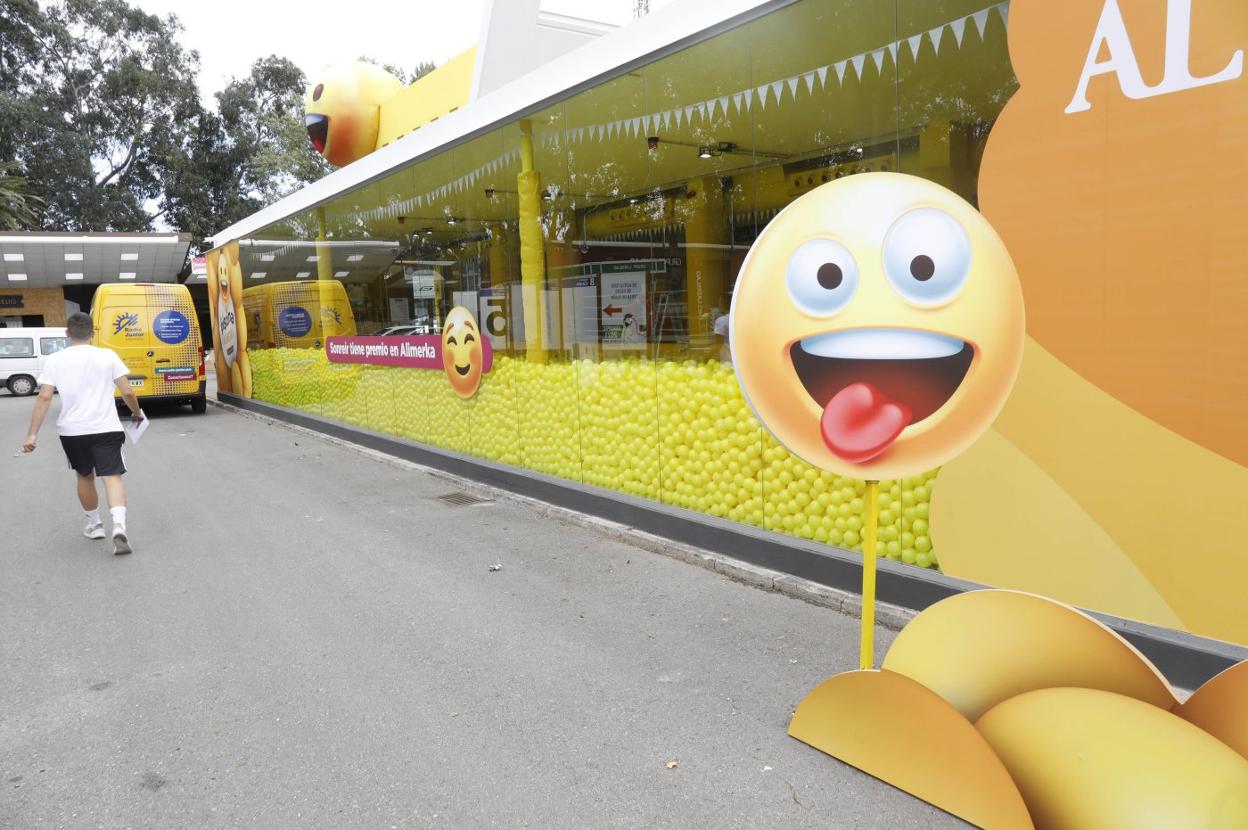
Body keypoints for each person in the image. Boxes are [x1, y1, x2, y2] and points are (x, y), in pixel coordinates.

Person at [20, 312, 144, 555]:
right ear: (93, 333)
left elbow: (44, 396)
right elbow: (128, 391)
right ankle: (119, 525)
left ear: (67, 333)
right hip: (106, 428)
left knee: (84, 476)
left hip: (73, 431)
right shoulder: (108, 355)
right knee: (112, 476)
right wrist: (136, 413)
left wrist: (32, 434)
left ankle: (95, 525)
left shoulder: (55, 360)